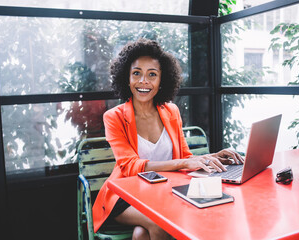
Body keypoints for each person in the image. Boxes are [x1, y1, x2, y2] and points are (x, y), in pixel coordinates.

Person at [92, 38, 244, 240]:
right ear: (127, 78)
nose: (144, 81)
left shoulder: (171, 111)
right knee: (160, 223)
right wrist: (184, 162)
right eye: (136, 73)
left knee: (141, 235)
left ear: (161, 80)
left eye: (152, 75)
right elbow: (129, 166)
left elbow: (185, 157)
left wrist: (213, 157)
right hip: (124, 196)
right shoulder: (114, 117)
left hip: (161, 194)